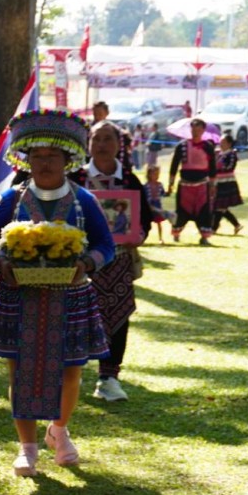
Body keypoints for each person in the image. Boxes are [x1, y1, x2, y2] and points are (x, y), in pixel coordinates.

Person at [0, 110, 115, 477]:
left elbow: (106, 245)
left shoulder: (84, 200)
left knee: (71, 371)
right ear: (26, 160)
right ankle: (27, 447)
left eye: (52, 156)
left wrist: (86, 263)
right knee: (19, 372)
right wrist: (0, 262)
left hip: (70, 298)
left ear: (68, 159)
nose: (44, 163)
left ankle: (59, 430)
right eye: (37, 156)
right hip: (19, 297)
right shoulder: (12, 199)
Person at [71, 120, 153, 403]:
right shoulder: (76, 178)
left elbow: (144, 219)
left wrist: (138, 234)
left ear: (119, 144)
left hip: (118, 262)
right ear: (88, 144)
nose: (102, 144)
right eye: (96, 139)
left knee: (118, 316)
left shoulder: (130, 180)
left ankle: (108, 378)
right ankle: (73, 372)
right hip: (81, 261)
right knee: (76, 315)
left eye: (108, 139)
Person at [167, 118, 216, 245]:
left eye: (198, 129)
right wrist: (171, 183)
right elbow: (174, 165)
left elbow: (212, 168)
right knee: (182, 210)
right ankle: (176, 233)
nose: (195, 132)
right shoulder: (182, 146)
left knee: (203, 211)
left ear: (203, 130)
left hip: (202, 186)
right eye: (193, 129)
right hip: (185, 185)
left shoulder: (208, 147)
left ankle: (204, 237)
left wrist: (212, 185)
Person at [212, 132, 244, 236]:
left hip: (227, 183)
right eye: (220, 142)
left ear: (229, 144)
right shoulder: (218, 154)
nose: (221, 144)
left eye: (223, 142)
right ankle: (236, 225)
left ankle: (213, 228)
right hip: (217, 182)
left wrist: (220, 165)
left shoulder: (232, 155)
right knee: (219, 207)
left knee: (220, 207)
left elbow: (230, 167)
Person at [144, 164, 168, 244]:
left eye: (158, 174)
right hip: (148, 206)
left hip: (157, 206)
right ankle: (143, 238)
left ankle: (160, 238)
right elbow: (144, 196)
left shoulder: (160, 185)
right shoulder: (146, 186)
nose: (156, 176)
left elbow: (163, 194)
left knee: (159, 222)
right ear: (149, 175)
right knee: (146, 223)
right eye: (154, 174)